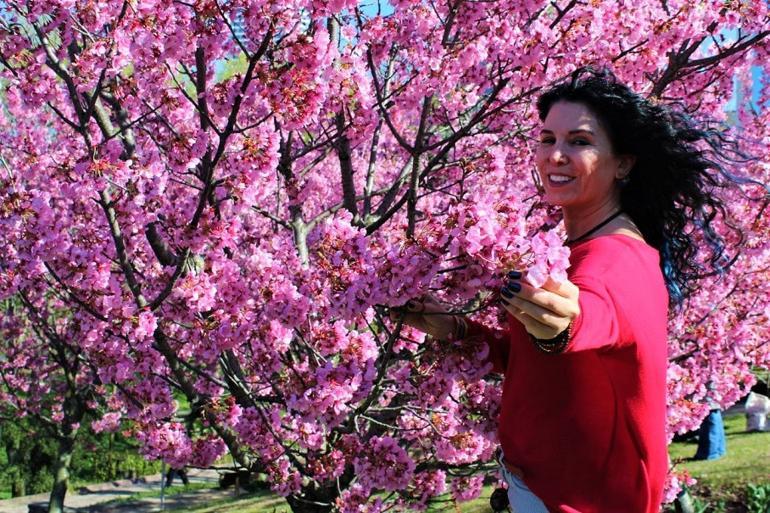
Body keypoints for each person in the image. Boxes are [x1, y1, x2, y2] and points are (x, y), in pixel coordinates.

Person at [394, 68, 743, 512]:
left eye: (579, 141)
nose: (555, 155)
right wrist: (461, 330)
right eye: (547, 139)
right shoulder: (570, 247)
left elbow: (593, 314)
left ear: (623, 163)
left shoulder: (619, 260)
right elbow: (543, 360)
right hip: (541, 490)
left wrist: (565, 325)